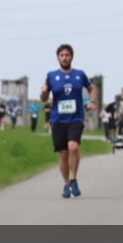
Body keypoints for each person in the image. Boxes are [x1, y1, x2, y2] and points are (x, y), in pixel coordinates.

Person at [40, 43, 97, 198]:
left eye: (67, 55)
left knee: (73, 147)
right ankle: (66, 184)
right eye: (62, 55)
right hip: (58, 119)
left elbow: (92, 88)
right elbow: (44, 98)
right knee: (63, 154)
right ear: (58, 57)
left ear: (72, 57)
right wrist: (44, 92)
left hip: (76, 117)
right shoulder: (51, 76)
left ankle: (74, 179)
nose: (64, 58)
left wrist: (92, 102)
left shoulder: (79, 74)